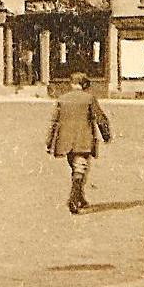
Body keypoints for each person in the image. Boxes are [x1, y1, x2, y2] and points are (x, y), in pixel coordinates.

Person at [47, 73, 112, 214]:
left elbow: (54, 122)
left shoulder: (62, 99)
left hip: (65, 142)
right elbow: (100, 119)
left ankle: (80, 198)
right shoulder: (89, 99)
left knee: (76, 168)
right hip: (83, 140)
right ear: (84, 85)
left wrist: (49, 142)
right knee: (80, 169)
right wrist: (106, 135)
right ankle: (73, 199)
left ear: (71, 84)